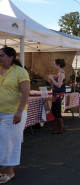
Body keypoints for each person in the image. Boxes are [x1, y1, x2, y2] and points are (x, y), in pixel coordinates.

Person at [0, 46, 30, 183]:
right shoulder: (0, 70)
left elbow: (25, 92)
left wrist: (19, 111)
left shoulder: (20, 72)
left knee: (11, 142)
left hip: (13, 113)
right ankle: (3, 168)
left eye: (1, 56)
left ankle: (10, 171)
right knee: (2, 141)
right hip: (1, 112)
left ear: (11, 58)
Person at [48, 59, 66, 134]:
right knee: (55, 110)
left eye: (54, 64)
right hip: (56, 94)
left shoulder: (61, 74)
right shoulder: (59, 73)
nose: (53, 65)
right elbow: (55, 84)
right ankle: (61, 127)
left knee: (56, 111)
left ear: (58, 65)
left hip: (58, 94)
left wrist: (52, 78)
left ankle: (60, 129)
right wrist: (51, 79)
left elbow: (59, 85)